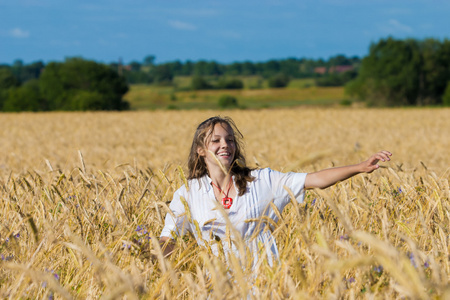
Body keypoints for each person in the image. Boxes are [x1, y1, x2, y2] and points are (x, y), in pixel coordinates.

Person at [157, 116, 392, 268]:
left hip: (264, 289)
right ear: (200, 150)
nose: (225, 145)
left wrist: (360, 167)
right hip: (214, 290)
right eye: (215, 140)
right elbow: (168, 240)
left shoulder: (262, 181)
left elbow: (315, 180)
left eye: (229, 140)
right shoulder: (188, 194)